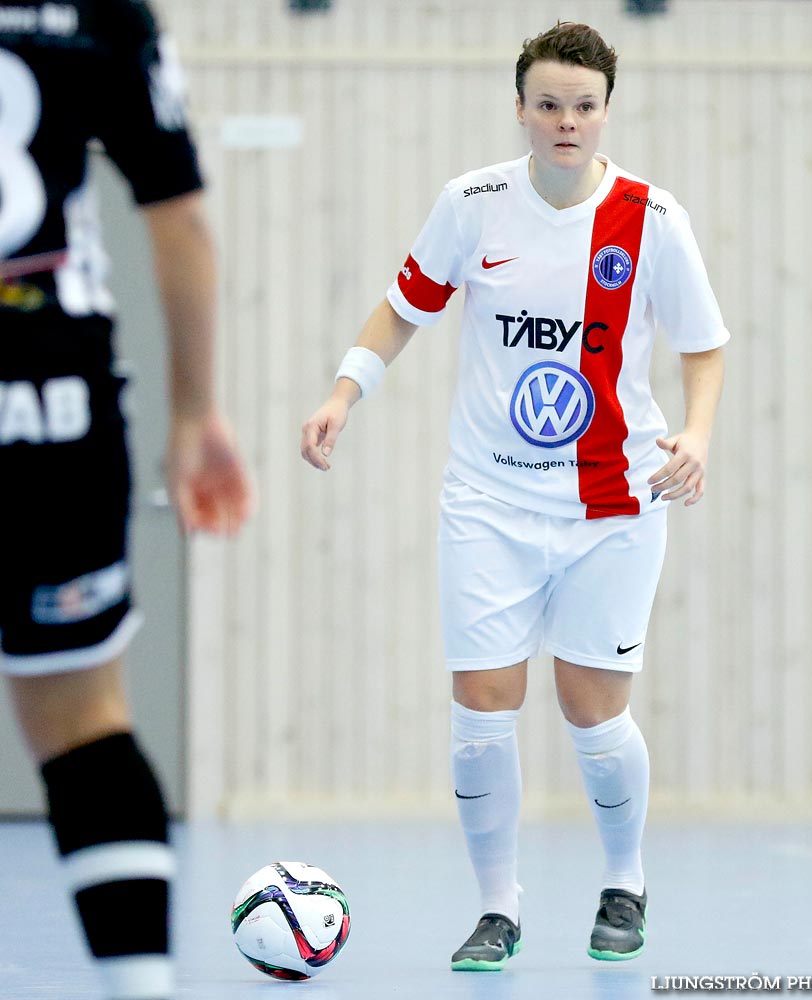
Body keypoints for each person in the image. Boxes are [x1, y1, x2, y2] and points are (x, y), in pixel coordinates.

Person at [301, 20, 727, 971]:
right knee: (480, 709)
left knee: (591, 710)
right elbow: (403, 305)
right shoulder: (473, 203)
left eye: (582, 106)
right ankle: (498, 909)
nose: (565, 122)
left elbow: (704, 345)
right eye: (548, 105)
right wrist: (342, 393)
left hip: (614, 506)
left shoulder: (652, 220)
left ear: (605, 110)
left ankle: (625, 883)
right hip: (488, 504)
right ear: (522, 109)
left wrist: (694, 434)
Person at [0, 2, 252, 998]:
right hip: (50, 391)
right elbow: (179, 214)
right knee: (82, 717)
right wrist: (195, 411)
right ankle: (140, 986)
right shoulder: (99, 11)